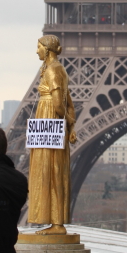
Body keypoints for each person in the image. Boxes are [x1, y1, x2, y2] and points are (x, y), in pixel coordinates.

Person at [28, 35, 76, 234]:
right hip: (51, 121)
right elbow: (68, 100)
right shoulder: (56, 69)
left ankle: (56, 224)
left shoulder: (54, 69)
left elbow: (58, 102)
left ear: (47, 49)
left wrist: (62, 121)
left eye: (39, 47)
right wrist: (69, 124)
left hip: (49, 118)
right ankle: (55, 221)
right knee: (53, 168)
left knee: (51, 167)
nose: (36, 51)